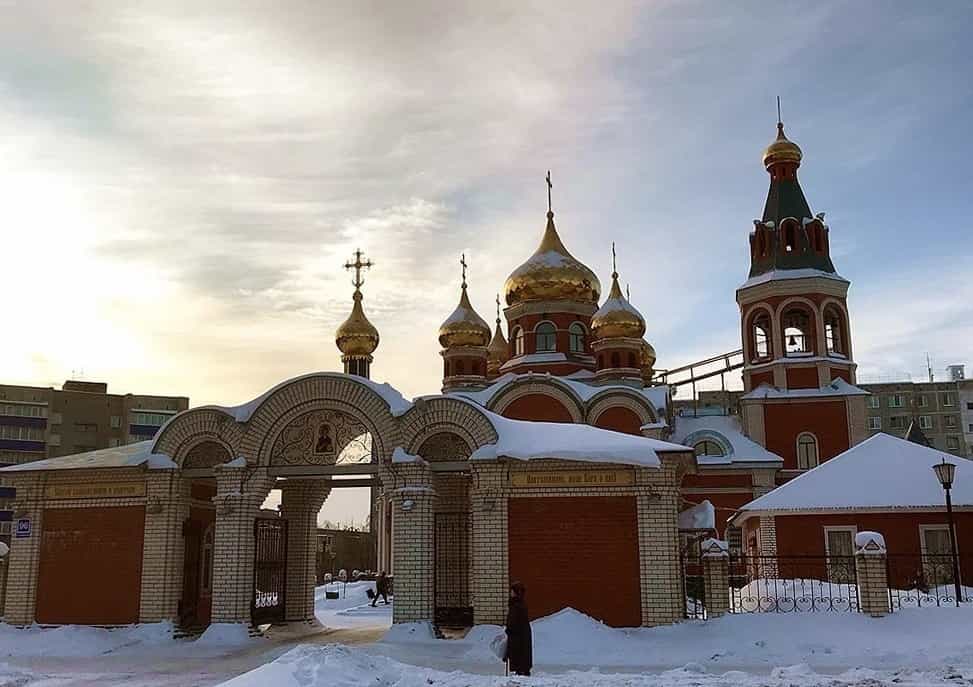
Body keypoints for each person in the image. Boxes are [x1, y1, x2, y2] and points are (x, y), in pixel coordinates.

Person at [504, 581, 532, 676]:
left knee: (518, 653)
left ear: (516, 592)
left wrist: (509, 629)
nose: (510, 593)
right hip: (522, 634)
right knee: (522, 653)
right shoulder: (520, 603)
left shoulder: (516, 605)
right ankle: (523, 670)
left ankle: (520, 671)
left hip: (517, 635)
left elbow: (513, 620)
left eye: (511, 591)